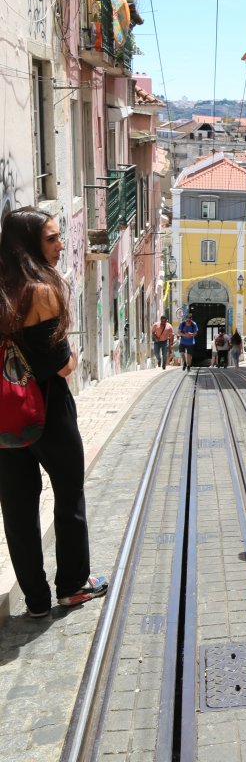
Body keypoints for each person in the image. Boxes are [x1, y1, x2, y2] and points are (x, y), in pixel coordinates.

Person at [0, 207, 108, 617]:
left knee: (18, 509)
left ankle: (36, 601)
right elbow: (61, 363)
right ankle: (73, 585)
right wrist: (71, 359)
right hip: (47, 409)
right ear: (28, 244)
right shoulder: (40, 292)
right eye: (51, 238)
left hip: (5, 415)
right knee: (68, 496)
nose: (61, 245)